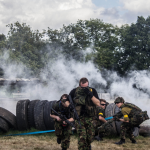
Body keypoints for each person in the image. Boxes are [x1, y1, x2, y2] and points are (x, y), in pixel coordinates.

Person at [69, 77, 100, 150]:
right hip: (79, 118)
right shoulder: (74, 91)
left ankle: (88, 145)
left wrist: (90, 94)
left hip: (90, 118)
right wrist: (69, 106)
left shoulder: (92, 90)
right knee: (82, 138)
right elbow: (67, 100)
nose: (85, 89)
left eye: (86, 87)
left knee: (90, 138)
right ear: (79, 85)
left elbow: (98, 103)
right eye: (83, 87)